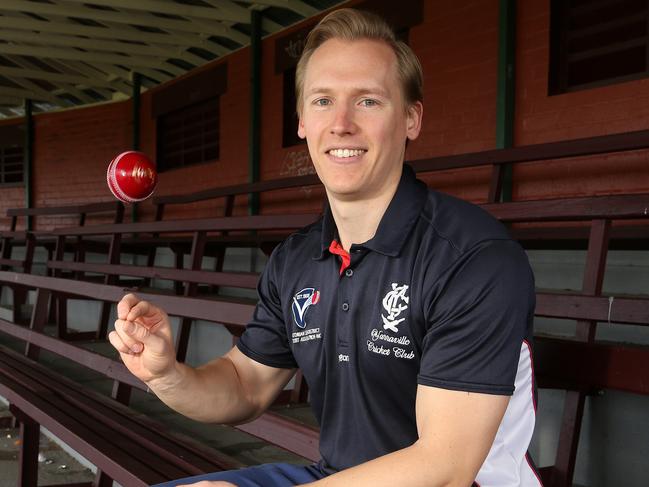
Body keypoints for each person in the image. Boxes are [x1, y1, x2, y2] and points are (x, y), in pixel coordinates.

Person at [109, 8, 542, 487]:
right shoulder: (298, 258)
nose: (341, 124)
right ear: (301, 122)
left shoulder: (473, 257)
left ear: (411, 119)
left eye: (369, 102)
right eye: (322, 101)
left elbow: (445, 468)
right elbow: (244, 386)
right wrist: (167, 374)